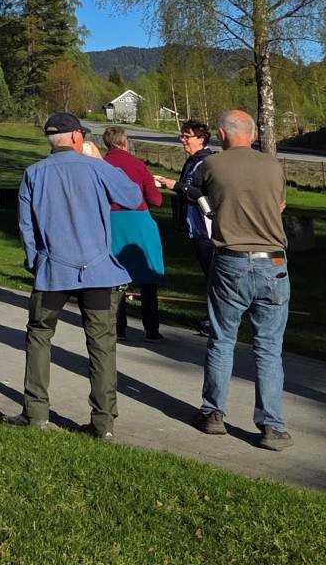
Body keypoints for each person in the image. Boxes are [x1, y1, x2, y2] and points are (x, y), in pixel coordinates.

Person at [15, 113, 141, 439]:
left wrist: (35, 262)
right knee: (101, 344)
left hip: (53, 270)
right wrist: (102, 162)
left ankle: (36, 412)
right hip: (98, 270)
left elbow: (27, 227)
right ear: (75, 137)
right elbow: (132, 197)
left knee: (40, 336)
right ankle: (103, 423)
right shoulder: (96, 168)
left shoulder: (34, 173)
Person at [193, 110, 292, 451]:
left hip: (231, 259)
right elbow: (279, 204)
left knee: (222, 340)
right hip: (273, 262)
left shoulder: (212, 166)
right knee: (268, 347)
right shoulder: (273, 166)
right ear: (251, 134)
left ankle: (214, 413)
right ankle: (272, 426)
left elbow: (203, 201)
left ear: (222, 133)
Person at [101, 127, 166, 341]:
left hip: (111, 222)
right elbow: (156, 199)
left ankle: (118, 328)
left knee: (116, 276)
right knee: (147, 277)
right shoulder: (138, 166)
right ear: (124, 143)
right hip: (138, 221)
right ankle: (152, 330)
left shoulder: (100, 166)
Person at [157, 120, 215, 336]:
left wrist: (178, 186)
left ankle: (215, 319)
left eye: (186, 136)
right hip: (194, 227)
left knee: (213, 274)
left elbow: (203, 194)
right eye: (181, 136)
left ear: (201, 139)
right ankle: (212, 315)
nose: (182, 140)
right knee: (208, 273)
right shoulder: (192, 161)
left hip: (208, 228)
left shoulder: (208, 162)